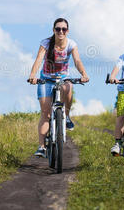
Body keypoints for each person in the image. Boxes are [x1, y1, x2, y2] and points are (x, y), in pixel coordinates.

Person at [28, 18, 89, 157]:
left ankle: (66, 116)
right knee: (45, 113)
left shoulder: (71, 44)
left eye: (64, 29)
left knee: (69, 86)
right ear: (53, 30)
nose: (61, 31)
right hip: (46, 79)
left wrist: (84, 74)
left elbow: (77, 60)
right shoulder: (46, 43)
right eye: (58, 29)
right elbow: (38, 60)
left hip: (62, 78)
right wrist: (32, 75)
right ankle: (42, 147)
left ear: (67, 31)